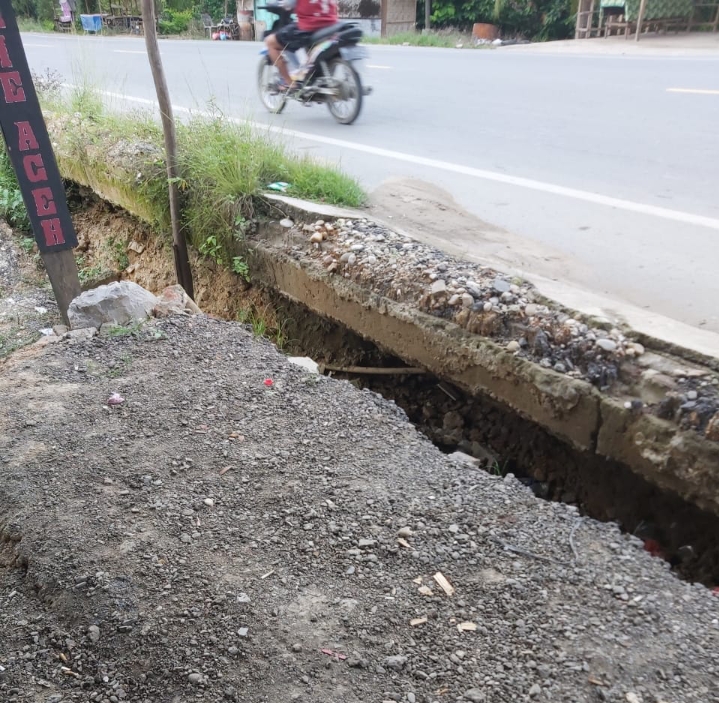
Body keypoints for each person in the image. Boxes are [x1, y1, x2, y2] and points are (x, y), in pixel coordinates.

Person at [265, 0, 339, 87]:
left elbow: (288, 4)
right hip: (331, 24)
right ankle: (307, 72)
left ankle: (289, 83)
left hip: (309, 26)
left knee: (270, 42)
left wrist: (279, 3)